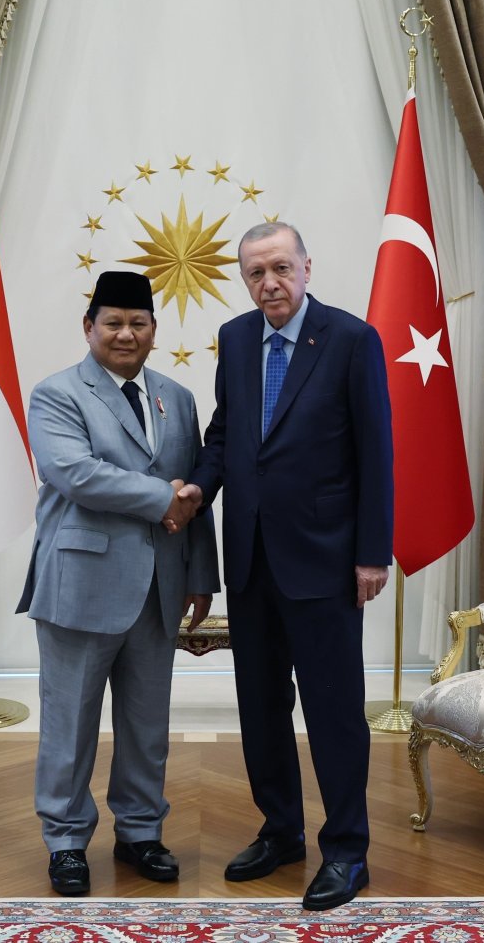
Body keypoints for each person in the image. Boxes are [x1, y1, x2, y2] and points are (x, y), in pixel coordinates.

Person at [182, 221, 393, 910]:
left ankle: (347, 850)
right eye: (255, 273)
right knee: (262, 707)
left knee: (334, 710)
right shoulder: (236, 339)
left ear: (307, 266)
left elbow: (376, 452)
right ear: (244, 280)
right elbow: (226, 434)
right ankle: (280, 831)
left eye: (280, 268)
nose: (269, 283)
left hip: (327, 560)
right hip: (250, 557)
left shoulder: (352, 340)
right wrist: (196, 489)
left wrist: (371, 551)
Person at [19, 270, 218, 896]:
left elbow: (198, 495)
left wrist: (201, 573)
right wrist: (166, 497)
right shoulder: (56, 395)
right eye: (113, 323)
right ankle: (67, 841)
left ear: (154, 332)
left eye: (138, 323)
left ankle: (138, 833)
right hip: (81, 582)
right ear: (89, 328)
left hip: (161, 585)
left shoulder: (178, 399)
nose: (125, 334)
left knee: (146, 722)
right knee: (69, 721)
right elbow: (77, 474)